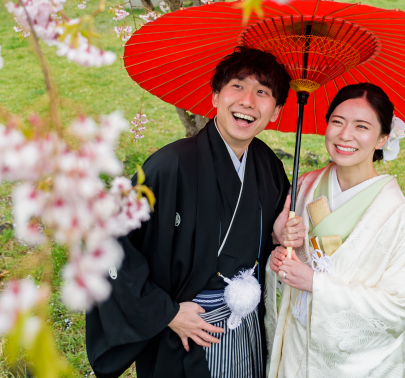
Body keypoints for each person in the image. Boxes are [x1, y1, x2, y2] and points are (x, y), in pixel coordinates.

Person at [86, 47, 306, 378]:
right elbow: (108, 244)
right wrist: (167, 314)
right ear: (216, 95)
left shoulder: (268, 164)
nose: (248, 101)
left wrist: (278, 234)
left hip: (246, 323)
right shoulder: (169, 166)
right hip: (188, 328)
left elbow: (266, 238)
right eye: (237, 86)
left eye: (263, 92)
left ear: (275, 111)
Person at [266, 83, 405, 378]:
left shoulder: (397, 216)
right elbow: (292, 253)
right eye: (337, 122)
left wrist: (317, 283)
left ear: (383, 138)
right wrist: (278, 243)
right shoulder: (307, 185)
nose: (345, 135)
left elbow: (403, 306)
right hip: (297, 347)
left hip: (346, 365)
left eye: (361, 126)